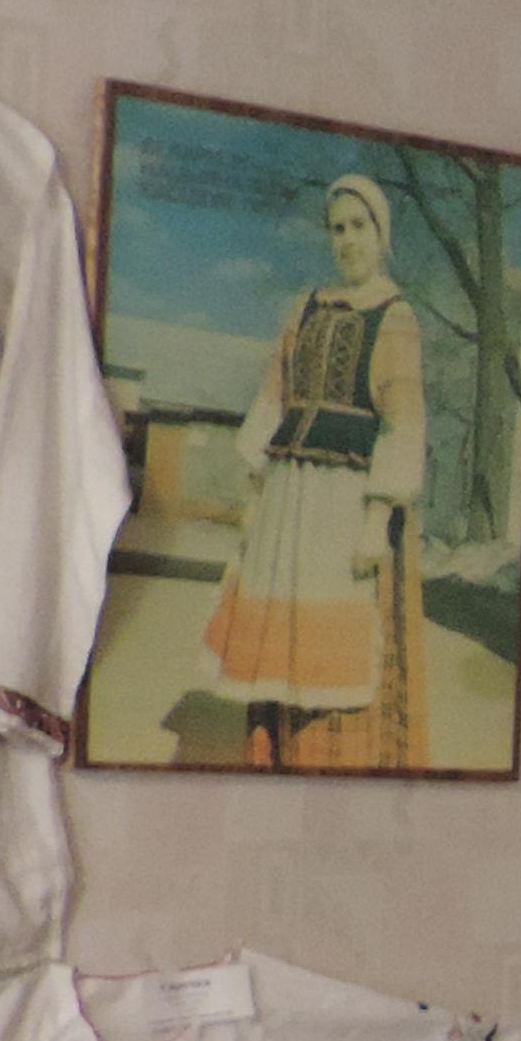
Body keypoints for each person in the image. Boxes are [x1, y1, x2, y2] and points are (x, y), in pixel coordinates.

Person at [200, 175, 425, 765]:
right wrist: (254, 497)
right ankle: (271, 753)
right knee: (277, 642)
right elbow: (272, 400)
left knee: (329, 646)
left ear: (382, 234)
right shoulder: (302, 308)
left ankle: (323, 760)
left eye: (360, 226)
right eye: (338, 228)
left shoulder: (395, 317)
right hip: (285, 500)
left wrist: (376, 520)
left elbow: (402, 425)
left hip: (343, 505)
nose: (348, 240)